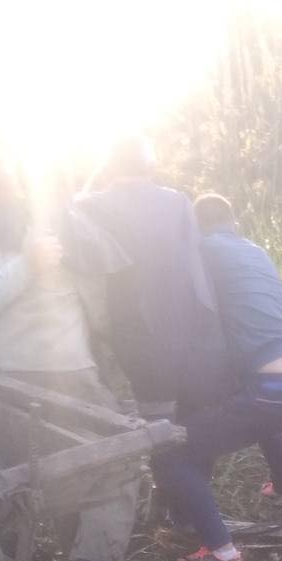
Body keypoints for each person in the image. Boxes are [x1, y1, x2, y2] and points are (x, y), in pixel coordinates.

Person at [0, 154, 141, 561]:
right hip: (60, 370)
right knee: (120, 461)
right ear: (1, 189)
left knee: (57, 464)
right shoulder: (37, 236)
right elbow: (97, 310)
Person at [152, 194, 282, 561]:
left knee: (171, 454)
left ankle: (221, 552)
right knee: (262, 413)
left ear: (197, 227)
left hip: (275, 388)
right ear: (234, 223)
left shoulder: (200, 251)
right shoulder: (254, 251)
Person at [72, 138, 231, 420]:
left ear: (108, 168)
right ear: (151, 167)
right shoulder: (178, 202)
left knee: (158, 421)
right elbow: (196, 268)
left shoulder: (87, 206)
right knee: (192, 419)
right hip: (189, 330)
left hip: (135, 334)